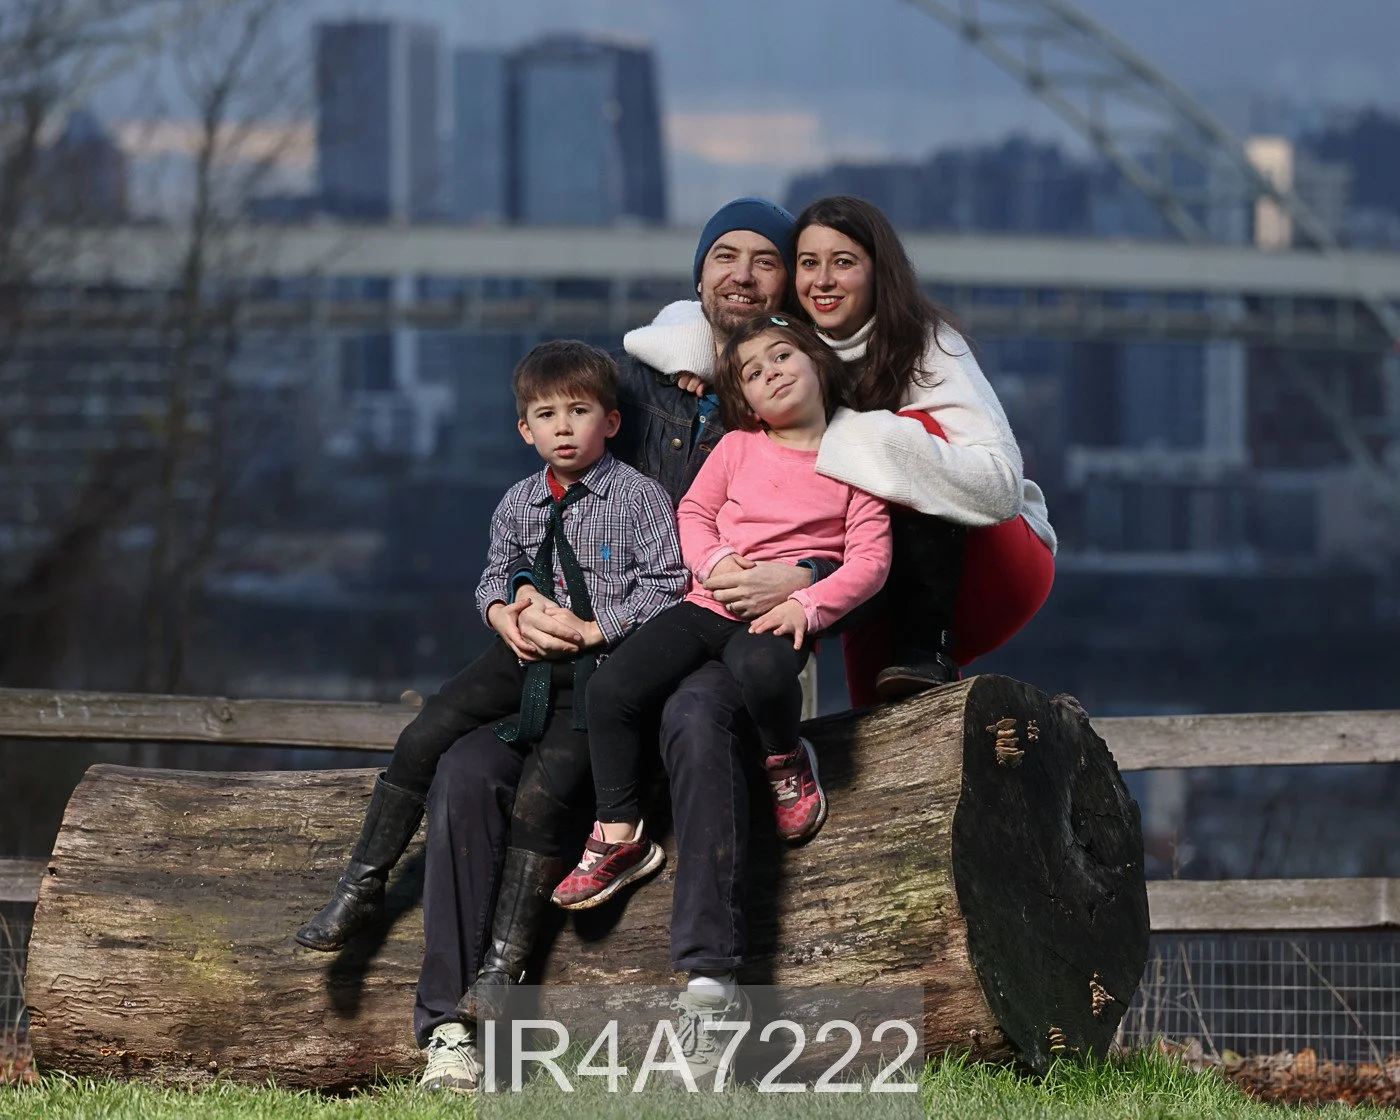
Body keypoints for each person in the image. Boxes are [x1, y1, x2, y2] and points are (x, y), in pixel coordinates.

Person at [297, 339, 687, 1092]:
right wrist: (502, 613)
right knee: (427, 734)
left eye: (580, 412)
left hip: (594, 670)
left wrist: (597, 630)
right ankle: (362, 884)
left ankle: (499, 976)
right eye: (547, 415)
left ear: (611, 421)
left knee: (543, 795)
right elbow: (492, 576)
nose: (564, 427)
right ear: (524, 430)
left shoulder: (638, 497)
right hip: (520, 657)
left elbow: (667, 584)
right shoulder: (518, 501)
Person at [551, 315, 892, 912]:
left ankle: (785, 758)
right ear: (747, 403)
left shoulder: (855, 461)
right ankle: (619, 831)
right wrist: (714, 563)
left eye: (782, 357)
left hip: (776, 611)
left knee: (764, 673)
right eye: (753, 374)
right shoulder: (737, 447)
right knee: (609, 689)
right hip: (707, 600)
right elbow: (693, 514)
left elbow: (871, 561)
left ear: (818, 362)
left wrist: (806, 604)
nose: (771, 374)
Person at [791, 196, 1057, 703]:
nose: (822, 280)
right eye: (808, 263)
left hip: (995, 559)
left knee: (913, 430)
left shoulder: (928, 343)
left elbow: (999, 488)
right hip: (881, 570)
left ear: (879, 271)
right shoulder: (786, 349)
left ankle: (929, 646)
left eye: (843, 262)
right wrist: (687, 358)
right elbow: (704, 321)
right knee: (881, 725)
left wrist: (832, 438)